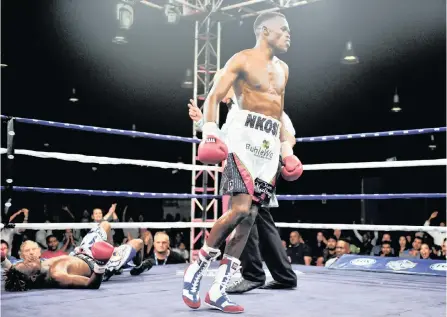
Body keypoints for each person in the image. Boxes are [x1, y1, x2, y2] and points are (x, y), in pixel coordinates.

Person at [183, 12, 302, 313]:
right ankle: (196, 269)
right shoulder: (242, 60)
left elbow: (279, 114)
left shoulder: (284, 69)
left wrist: (287, 152)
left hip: (268, 145)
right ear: (265, 30)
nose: (289, 35)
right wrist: (209, 132)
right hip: (242, 142)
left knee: (250, 217)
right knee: (238, 209)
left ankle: (218, 290)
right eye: (284, 29)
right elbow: (213, 97)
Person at [189, 96, 298, 293]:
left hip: (258, 166)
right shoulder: (233, 113)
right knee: (261, 220)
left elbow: (289, 137)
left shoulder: (264, 103)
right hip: (244, 165)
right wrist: (201, 122)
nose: (222, 94)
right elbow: (224, 140)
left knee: (243, 216)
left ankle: (253, 275)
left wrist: (286, 156)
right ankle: (284, 276)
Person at [1, 222, 115, 291]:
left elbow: (15, 273)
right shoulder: (58, 275)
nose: (27, 260)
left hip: (80, 252)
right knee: (133, 244)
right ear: (33, 277)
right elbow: (91, 283)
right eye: (27, 264)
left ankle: (110, 247)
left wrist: (3, 260)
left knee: (105, 225)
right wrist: (101, 264)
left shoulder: (35, 268)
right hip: (94, 262)